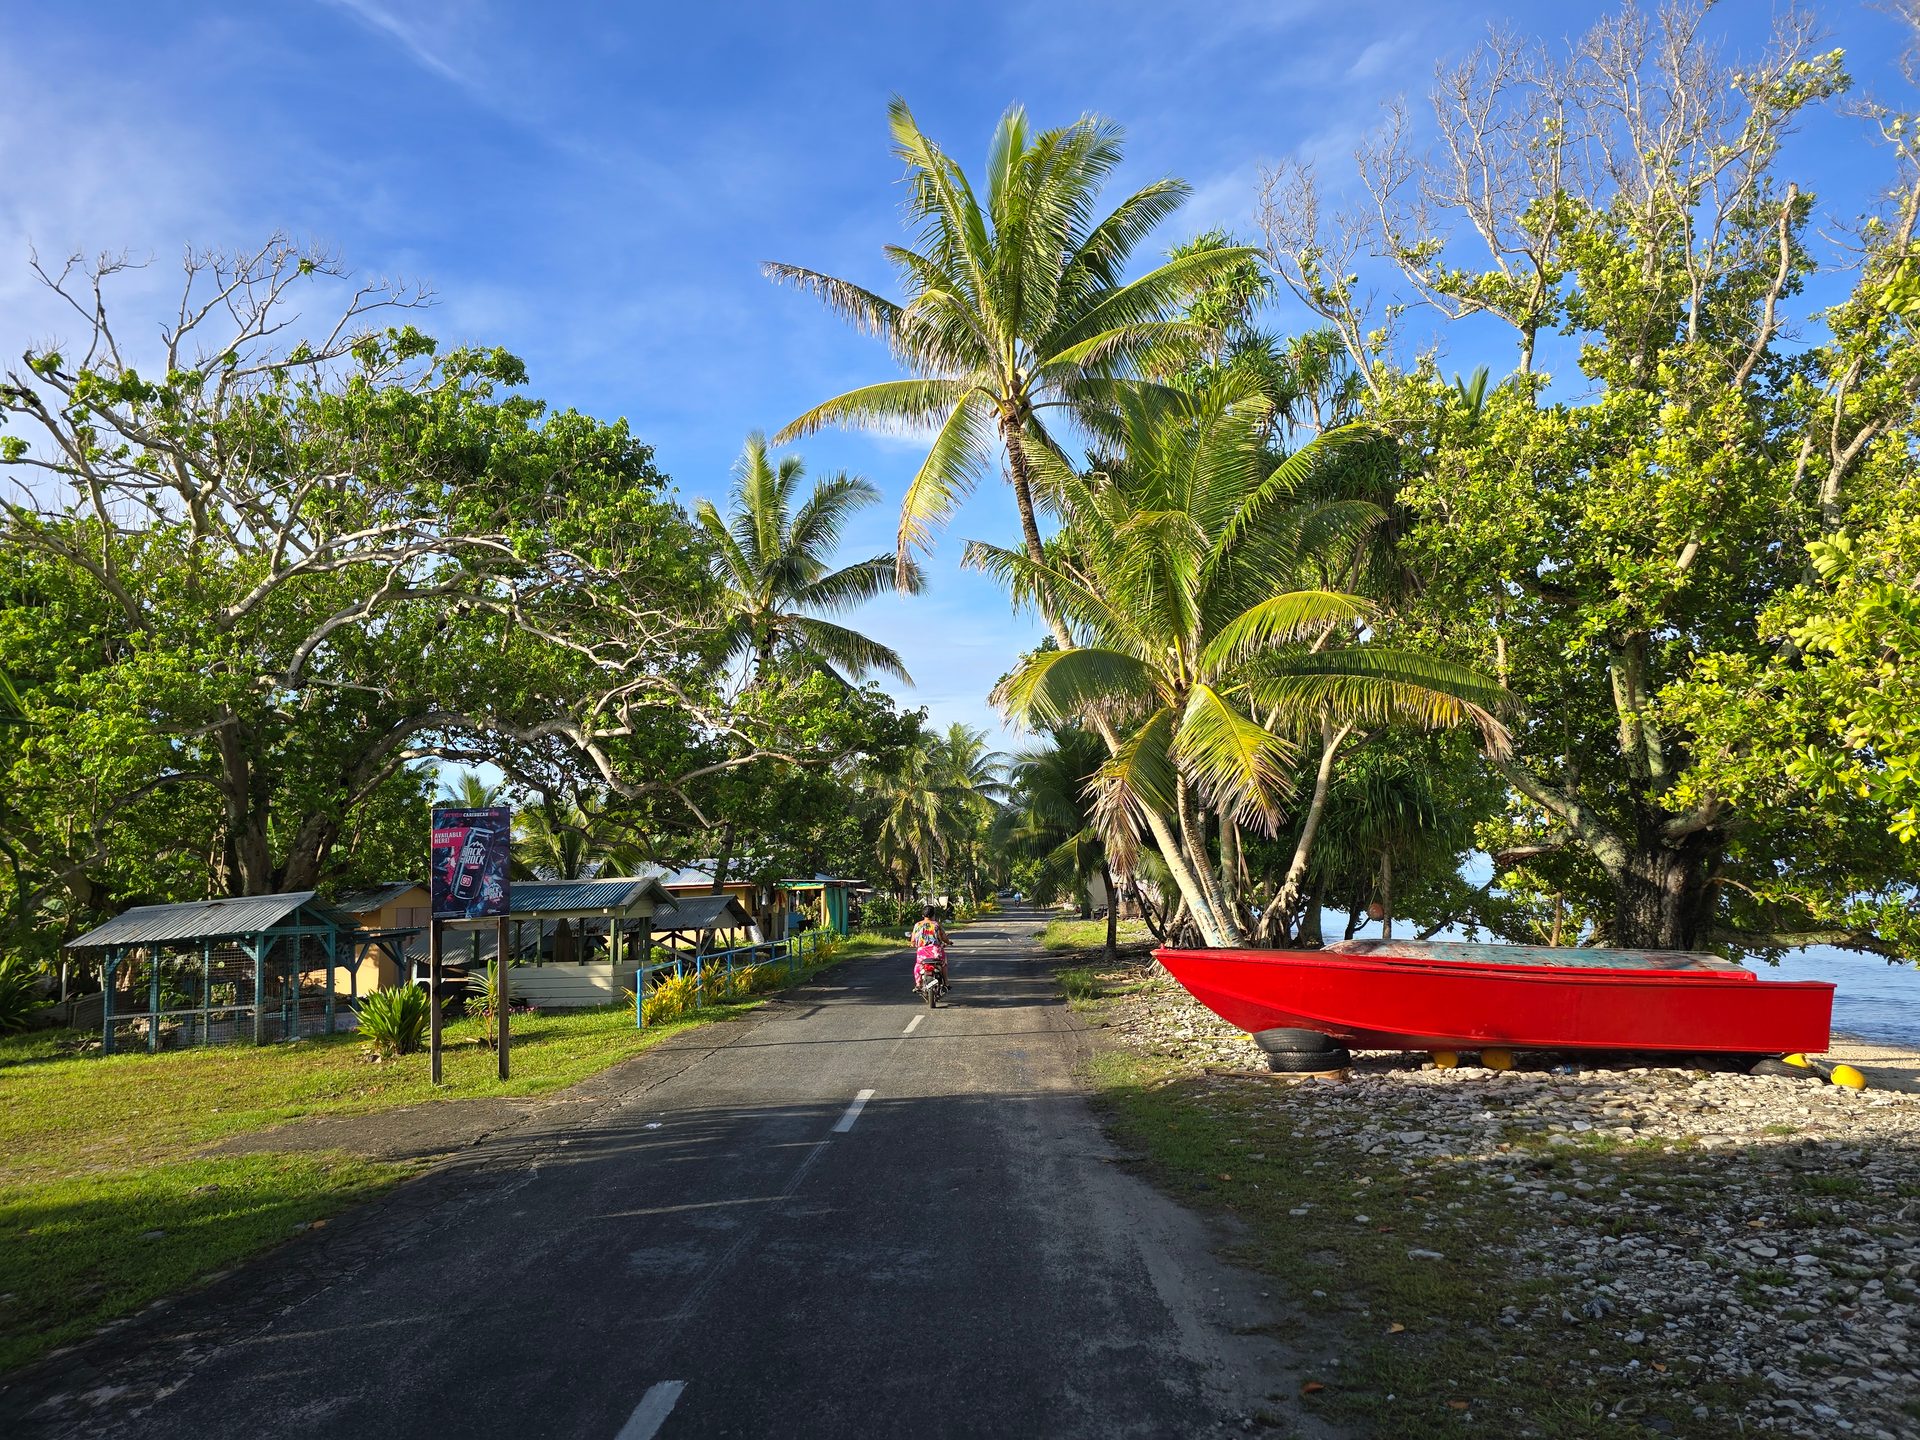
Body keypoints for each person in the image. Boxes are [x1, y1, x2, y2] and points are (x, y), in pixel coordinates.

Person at [911, 906, 949, 991]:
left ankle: (918, 984)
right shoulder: (936, 924)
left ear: (923, 915)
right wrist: (948, 942)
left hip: (922, 953)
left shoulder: (917, 925)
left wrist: (913, 944)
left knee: (918, 966)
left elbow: (913, 940)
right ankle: (946, 983)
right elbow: (943, 937)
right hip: (936, 952)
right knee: (943, 964)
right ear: (933, 915)